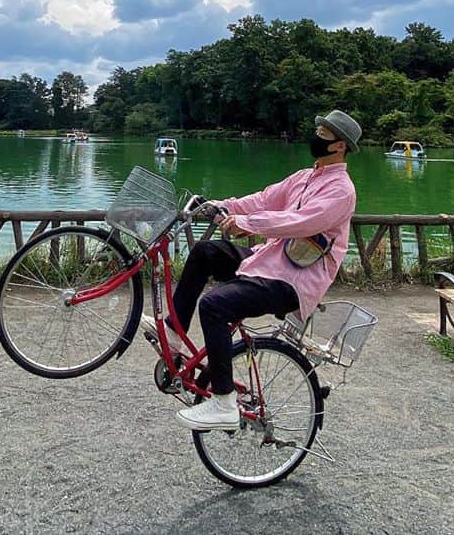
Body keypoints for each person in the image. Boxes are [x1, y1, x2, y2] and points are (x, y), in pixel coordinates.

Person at [143, 110, 361, 430]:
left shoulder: (341, 190)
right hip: (266, 261)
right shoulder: (304, 177)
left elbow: (299, 223)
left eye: (324, 133)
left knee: (215, 305)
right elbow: (263, 199)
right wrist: (224, 207)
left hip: (292, 283)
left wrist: (247, 224)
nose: (316, 136)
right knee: (205, 252)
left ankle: (223, 402)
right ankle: (175, 334)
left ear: (340, 146)